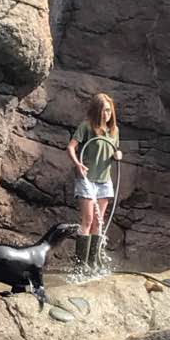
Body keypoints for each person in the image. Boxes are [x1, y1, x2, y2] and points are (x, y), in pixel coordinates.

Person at [67, 93, 123, 270]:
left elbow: (113, 151)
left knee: (99, 222)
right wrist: (78, 164)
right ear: (96, 111)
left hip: (104, 181)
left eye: (108, 110)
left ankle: (93, 262)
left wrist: (117, 155)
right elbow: (71, 147)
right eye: (102, 110)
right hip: (87, 180)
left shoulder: (114, 131)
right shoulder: (86, 127)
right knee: (88, 219)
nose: (106, 114)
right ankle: (80, 265)